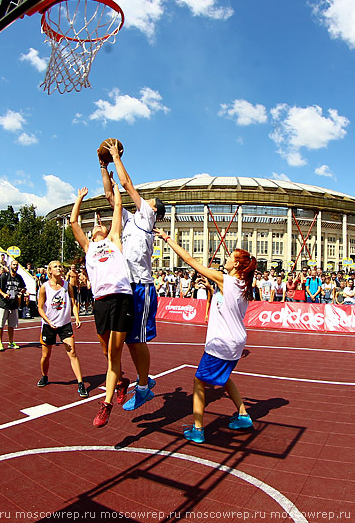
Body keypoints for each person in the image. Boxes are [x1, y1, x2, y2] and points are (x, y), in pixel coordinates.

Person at [155, 227, 257, 444]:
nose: (226, 260)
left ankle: (198, 429)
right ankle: (243, 415)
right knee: (225, 378)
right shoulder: (243, 286)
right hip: (236, 341)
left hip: (222, 342)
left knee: (199, 381)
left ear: (237, 264)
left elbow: (191, 261)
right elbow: (226, 306)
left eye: (230, 258)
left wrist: (167, 238)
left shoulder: (227, 280)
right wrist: (211, 291)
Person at [100, 139, 166, 411]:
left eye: (149, 201)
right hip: (127, 287)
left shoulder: (148, 216)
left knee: (137, 339)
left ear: (154, 209)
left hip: (142, 287)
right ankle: (143, 381)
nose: (145, 200)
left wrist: (116, 156)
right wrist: (103, 166)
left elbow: (127, 185)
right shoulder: (130, 220)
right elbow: (110, 196)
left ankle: (142, 387)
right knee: (128, 340)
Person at [70, 182, 135, 428]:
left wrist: (116, 187)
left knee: (114, 356)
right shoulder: (88, 247)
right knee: (107, 353)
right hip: (100, 303)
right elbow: (74, 222)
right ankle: (120, 382)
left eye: (101, 223)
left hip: (120, 297)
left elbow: (118, 205)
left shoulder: (114, 239)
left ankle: (106, 405)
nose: (98, 224)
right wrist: (79, 198)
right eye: (95, 224)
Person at [37, 260, 87, 398]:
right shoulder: (44, 287)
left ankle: (81, 383)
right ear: (50, 271)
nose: (59, 268)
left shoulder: (67, 286)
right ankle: (44, 376)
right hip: (49, 325)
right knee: (45, 356)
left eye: (60, 266)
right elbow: (40, 308)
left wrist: (76, 317)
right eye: (55, 267)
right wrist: (48, 321)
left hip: (65, 325)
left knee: (72, 354)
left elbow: (73, 302)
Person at [0, 259, 24, 351]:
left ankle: (11, 342)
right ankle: (0, 343)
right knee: (1, 324)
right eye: (14, 265)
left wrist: (22, 291)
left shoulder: (19, 277)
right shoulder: (5, 276)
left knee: (11, 325)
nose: (15, 266)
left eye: (16, 265)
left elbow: (22, 288)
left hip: (13, 304)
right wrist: (4, 294)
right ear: (10, 266)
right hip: (3, 304)